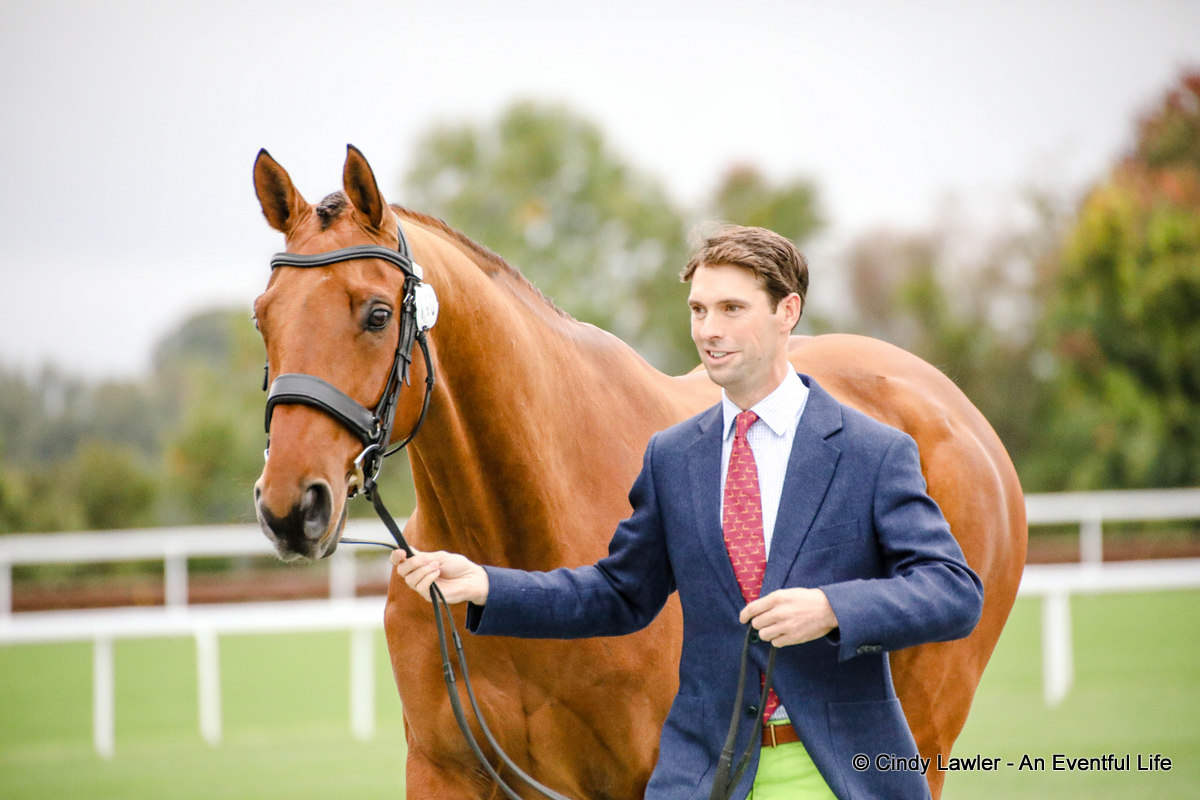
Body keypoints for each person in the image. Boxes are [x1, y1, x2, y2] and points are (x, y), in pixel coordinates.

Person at [392, 225, 984, 800]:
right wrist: (487, 586)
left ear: (787, 312)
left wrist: (833, 608)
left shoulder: (872, 451)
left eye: (732, 309)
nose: (709, 331)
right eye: (699, 310)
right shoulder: (672, 457)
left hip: (836, 774)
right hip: (702, 778)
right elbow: (619, 593)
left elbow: (954, 591)